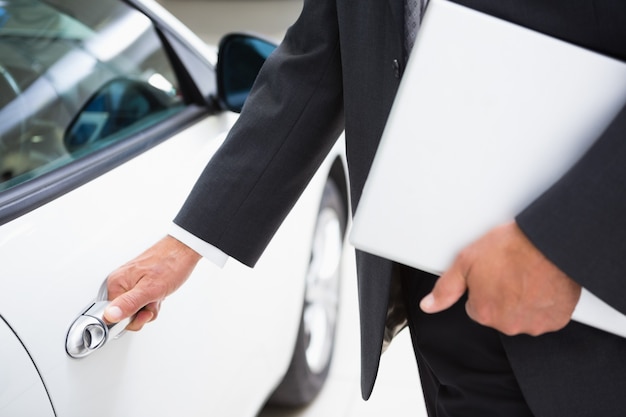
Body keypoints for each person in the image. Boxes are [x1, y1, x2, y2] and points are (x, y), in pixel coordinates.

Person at [104, 0, 626, 415]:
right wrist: (186, 244)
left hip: (594, 298)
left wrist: (563, 244)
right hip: (441, 296)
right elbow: (315, 62)